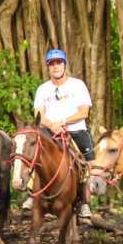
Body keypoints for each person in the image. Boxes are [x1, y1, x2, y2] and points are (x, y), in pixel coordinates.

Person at [30, 49, 95, 219]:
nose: (56, 66)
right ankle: (32, 194)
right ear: (48, 67)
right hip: (49, 132)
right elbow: (38, 114)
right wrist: (52, 126)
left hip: (74, 129)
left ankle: (84, 202)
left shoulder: (77, 85)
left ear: (65, 65)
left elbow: (84, 112)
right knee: (33, 154)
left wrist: (63, 122)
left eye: (59, 62)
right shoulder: (43, 89)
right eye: (52, 64)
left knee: (88, 163)